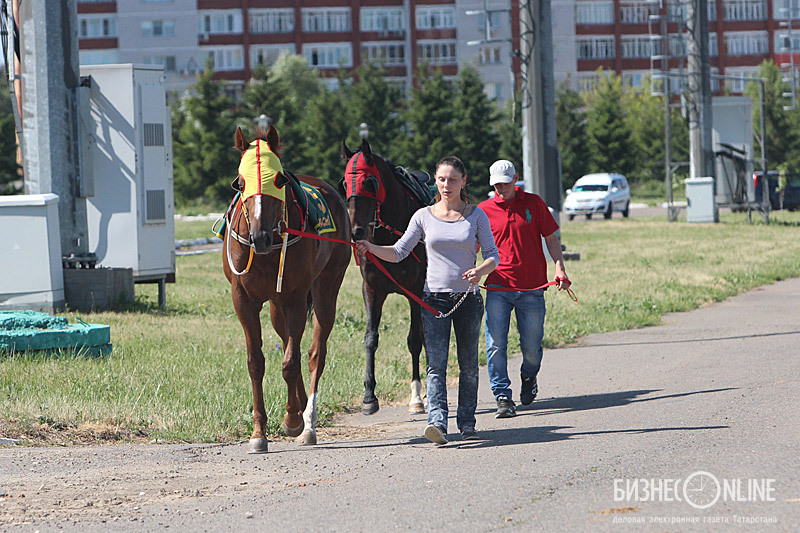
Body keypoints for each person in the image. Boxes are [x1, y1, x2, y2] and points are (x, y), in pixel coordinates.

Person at [355, 156, 499, 445]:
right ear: (435, 181)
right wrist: (370, 247)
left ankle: (467, 423)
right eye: (442, 179)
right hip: (434, 300)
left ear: (464, 182)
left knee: (468, 365)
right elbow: (398, 252)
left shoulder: (476, 215)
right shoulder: (422, 216)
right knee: (436, 365)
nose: (447, 185)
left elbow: (493, 256)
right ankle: (437, 422)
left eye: (453, 179)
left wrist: (480, 271)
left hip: (467, 300)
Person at [477, 160, 571, 418]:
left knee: (531, 347)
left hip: (532, 288)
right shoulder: (482, 211)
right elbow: (469, 247)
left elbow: (551, 238)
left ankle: (529, 376)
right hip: (498, 287)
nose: (501, 188)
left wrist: (559, 268)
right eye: (496, 184)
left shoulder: (534, 203)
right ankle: (503, 397)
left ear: (516, 179)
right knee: (495, 344)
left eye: (506, 183)